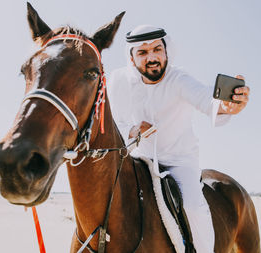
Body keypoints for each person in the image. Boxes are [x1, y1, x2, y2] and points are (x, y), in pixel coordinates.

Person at [107, 25, 250, 253]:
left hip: (179, 162)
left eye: (157, 49)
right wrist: (133, 131)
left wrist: (226, 105)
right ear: (132, 58)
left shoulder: (179, 79)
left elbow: (206, 98)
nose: (152, 57)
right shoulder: (118, 81)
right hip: (137, 159)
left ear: (167, 52)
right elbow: (114, 123)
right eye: (142, 53)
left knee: (193, 208)